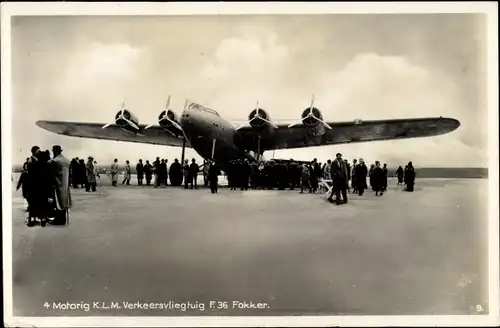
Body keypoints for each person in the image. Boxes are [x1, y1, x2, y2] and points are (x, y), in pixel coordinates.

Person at [49, 145, 72, 225]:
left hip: (58, 184)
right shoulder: (67, 161)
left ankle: (59, 220)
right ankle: (63, 219)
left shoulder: (55, 161)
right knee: (64, 201)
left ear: (55, 151)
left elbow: (51, 173)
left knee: (58, 202)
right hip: (65, 184)